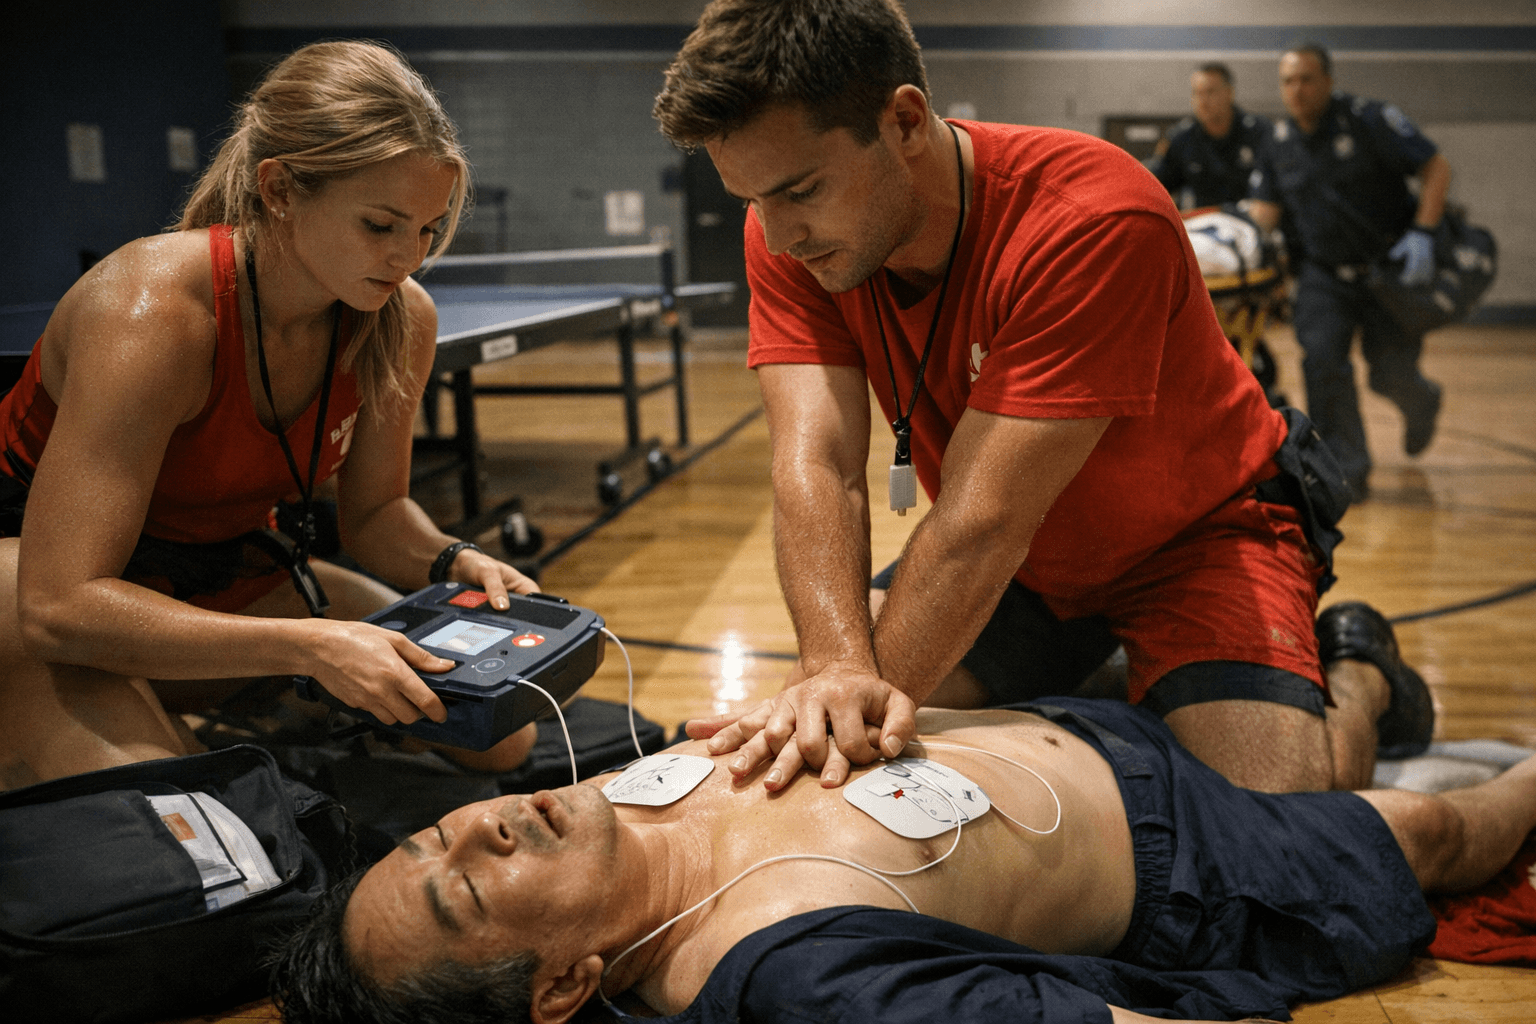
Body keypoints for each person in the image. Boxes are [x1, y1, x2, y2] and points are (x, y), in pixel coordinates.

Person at [648, 0, 1432, 796]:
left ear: (906, 121)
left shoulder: (1091, 218)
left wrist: (858, 712)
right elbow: (816, 462)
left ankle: (1359, 670)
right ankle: (1131, 687)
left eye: (801, 192)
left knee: (1276, 829)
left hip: (1199, 538)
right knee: (827, 719)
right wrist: (834, 670)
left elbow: (982, 522)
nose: (777, 237)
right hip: (1034, 566)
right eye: (753, 202)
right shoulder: (792, 239)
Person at [271, 697, 1536, 1024]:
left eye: (436, 829)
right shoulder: (790, 974)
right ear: (560, 987)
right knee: (1426, 832)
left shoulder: (589, 803)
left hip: (1060, 724)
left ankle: (1363, 679)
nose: (481, 824)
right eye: (462, 883)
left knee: (1316, 749)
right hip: (1182, 853)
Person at [0, 41, 543, 790]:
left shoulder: (398, 317)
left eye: (427, 228)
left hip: (216, 564)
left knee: (499, 737)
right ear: (281, 189)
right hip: (38, 575)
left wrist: (454, 559)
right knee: (201, 816)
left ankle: (155, 708)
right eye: (381, 225)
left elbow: (378, 515)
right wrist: (307, 647)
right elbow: (59, 605)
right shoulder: (152, 313)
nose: (408, 257)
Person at [1246, 42, 1451, 499]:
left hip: (1387, 270)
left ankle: (1422, 401)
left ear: (1328, 82)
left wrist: (1424, 231)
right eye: (1288, 82)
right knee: (1321, 361)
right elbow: (1265, 213)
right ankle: (1344, 471)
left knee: (1389, 371)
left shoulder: (1369, 119)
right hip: (1322, 274)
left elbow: (1435, 167)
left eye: (1306, 79)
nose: (1296, 90)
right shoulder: (1276, 143)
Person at [1149, 63, 1270, 209]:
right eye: (1197, 93)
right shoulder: (1182, 137)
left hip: (1250, 223)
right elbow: (1156, 184)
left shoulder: (1258, 132)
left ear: (1229, 93)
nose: (1203, 101)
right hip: (1202, 224)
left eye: (1210, 92)